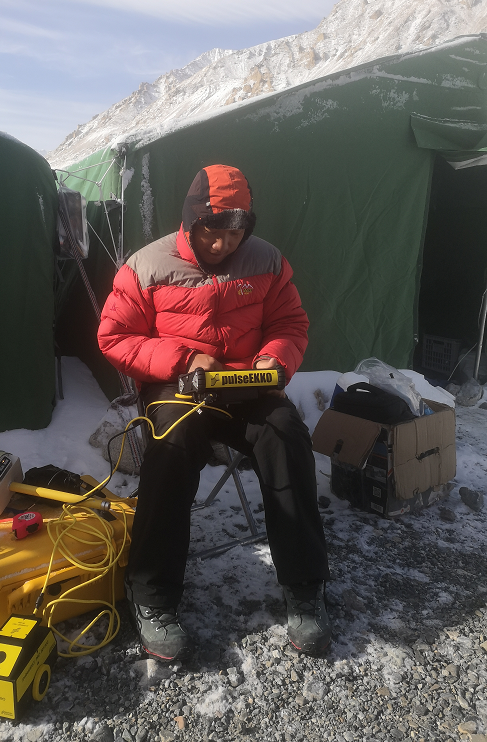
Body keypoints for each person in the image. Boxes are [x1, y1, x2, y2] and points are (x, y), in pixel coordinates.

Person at [98, 164, 331, 660]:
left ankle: (305, 587)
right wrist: (184, 359)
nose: (224, 244)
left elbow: (290, 324)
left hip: (246, 385)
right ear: (190, 221)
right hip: (178, 386)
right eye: (213, 232)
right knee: (171, 446)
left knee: (286, 433)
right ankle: (151, 595)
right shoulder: (146, 266)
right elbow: (114, 337)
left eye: (236, 233)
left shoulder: (268, 261)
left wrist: (274, 359)